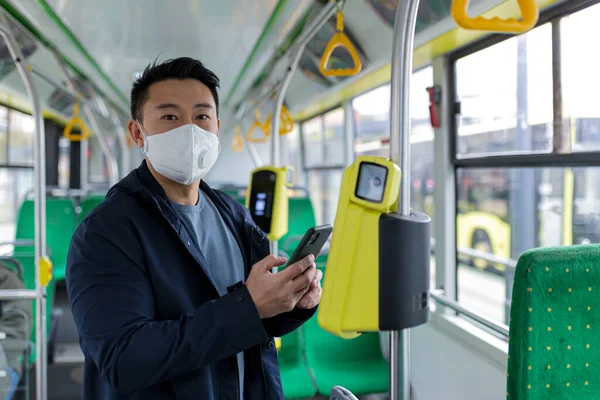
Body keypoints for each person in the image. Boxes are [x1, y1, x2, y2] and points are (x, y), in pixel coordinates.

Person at [66, 57, 323, 400]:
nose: (190, 130)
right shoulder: (106, 232)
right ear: (137, 132)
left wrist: (292, 303)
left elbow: (255, 321)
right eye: (170, 116)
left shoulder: (233, 215)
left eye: (201, 116)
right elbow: (123, 358)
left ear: (216, 127)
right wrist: (249, 306)